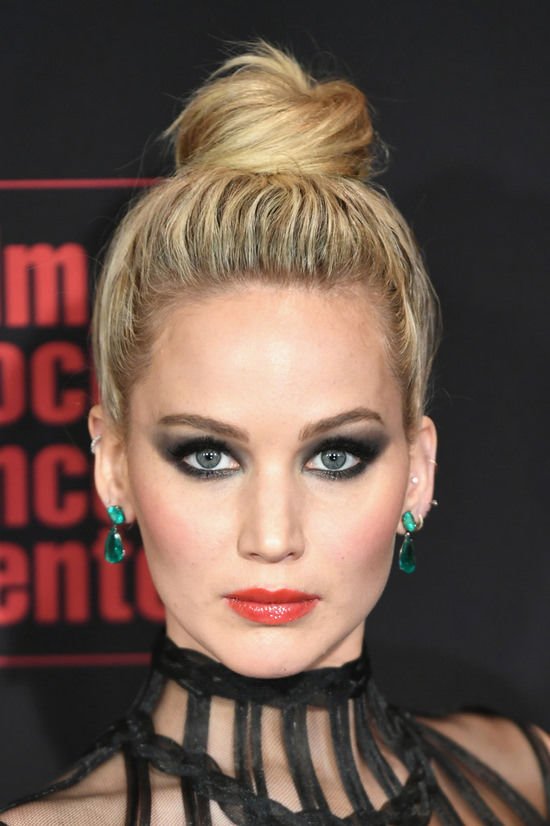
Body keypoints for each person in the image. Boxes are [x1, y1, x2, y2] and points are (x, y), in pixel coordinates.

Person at [1, 42, 548, 826]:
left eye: (335, 456)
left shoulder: (525, 780)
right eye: (208, 456)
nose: (271, 537)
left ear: (418, 471)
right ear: (114, 466)